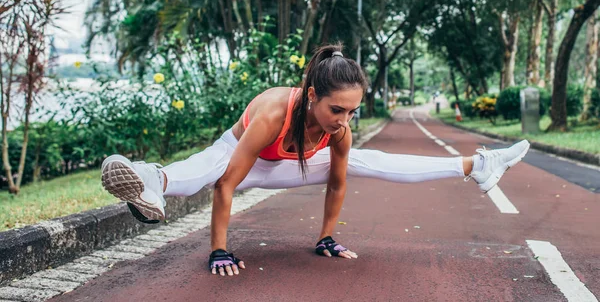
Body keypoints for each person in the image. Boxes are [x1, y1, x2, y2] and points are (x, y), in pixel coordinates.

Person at [101, 44, 530, 277]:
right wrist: (218, 250)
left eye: (352, 112)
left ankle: (477, 166)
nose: (342, 121)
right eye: (336, 110)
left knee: (367, 158)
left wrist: (325, 238)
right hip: (239, 155)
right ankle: (151, 179)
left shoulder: (338, 131)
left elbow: (338, 184)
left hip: (290, 166)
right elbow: (227, 185)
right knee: (210, 167)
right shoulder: (273, 113)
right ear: (311, 97)